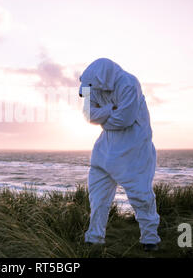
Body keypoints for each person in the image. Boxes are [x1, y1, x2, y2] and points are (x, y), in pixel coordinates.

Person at [78, 58, 161, 251]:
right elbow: (88, 115)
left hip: (133, 150)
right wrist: (109, 110)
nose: (89, 91)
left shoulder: (128, 84)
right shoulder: (92, 85)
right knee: (97, 198)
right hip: (104, 150)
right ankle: (94, 238)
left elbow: (124, 120)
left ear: (100, 78)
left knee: (141, 196)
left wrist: (103, 118)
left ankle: (150, 239)